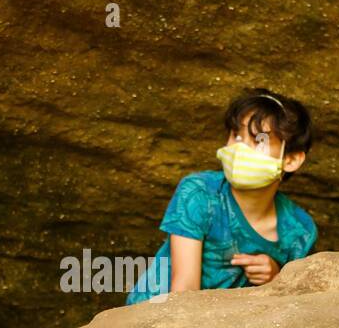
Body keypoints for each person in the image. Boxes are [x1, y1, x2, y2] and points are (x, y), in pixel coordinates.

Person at [125, 88, 317, 304]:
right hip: (156, 317)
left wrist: (276, 278)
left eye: (258, 141)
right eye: (236, 135)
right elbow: (183, 291)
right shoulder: (200, 193)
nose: (240, 148)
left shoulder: (300, 231)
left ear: (290, 160)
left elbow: (296, 306)